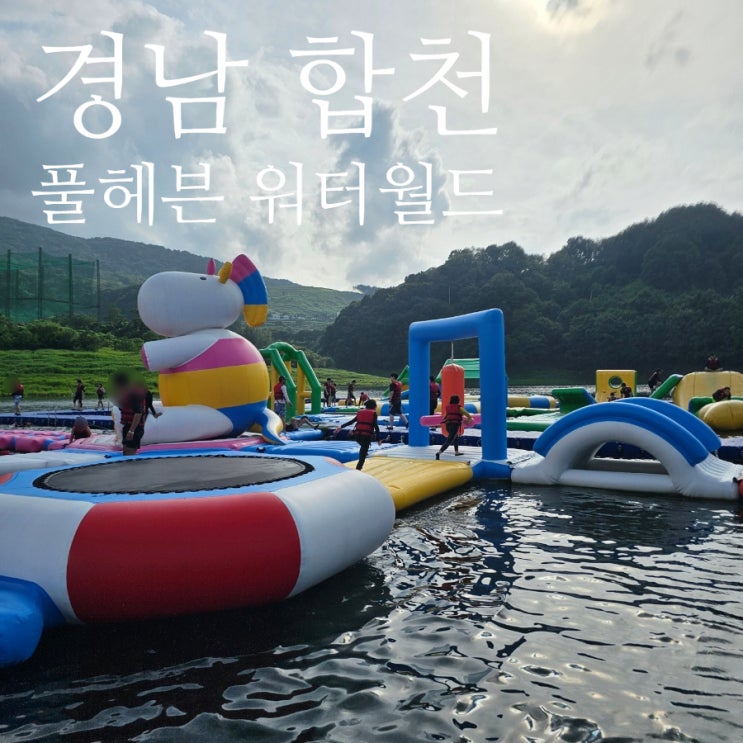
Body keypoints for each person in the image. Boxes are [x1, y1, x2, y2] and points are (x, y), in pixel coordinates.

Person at [334, 399, 381, 470]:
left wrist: (341, 427)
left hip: (357, 435)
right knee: (363, 454)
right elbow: (376, 427)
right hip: (366, 436)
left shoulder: (360, 412)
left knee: (364, 447)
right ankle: (358, 469)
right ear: (374, 406)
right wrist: (378, 439)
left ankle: (365, 450)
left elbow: (351, 421)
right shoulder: (373, 414)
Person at [436, 395, 472, 460]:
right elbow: (469, 416)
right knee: (449, 440)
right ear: (458, 400)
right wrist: (467, 421)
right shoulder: (459, 408)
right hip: (454, 425)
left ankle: (456, 452)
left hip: (448, 425)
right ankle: (439, 453)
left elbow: (444, 417)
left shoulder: (448, 407)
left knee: (456, 437)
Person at [119, 380, 146, 455]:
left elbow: (138, 413)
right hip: (127, 426)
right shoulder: (126, 395)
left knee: (129, 453)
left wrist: (131, 430)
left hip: (135, 428)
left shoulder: (134, 395)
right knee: (125, 453)